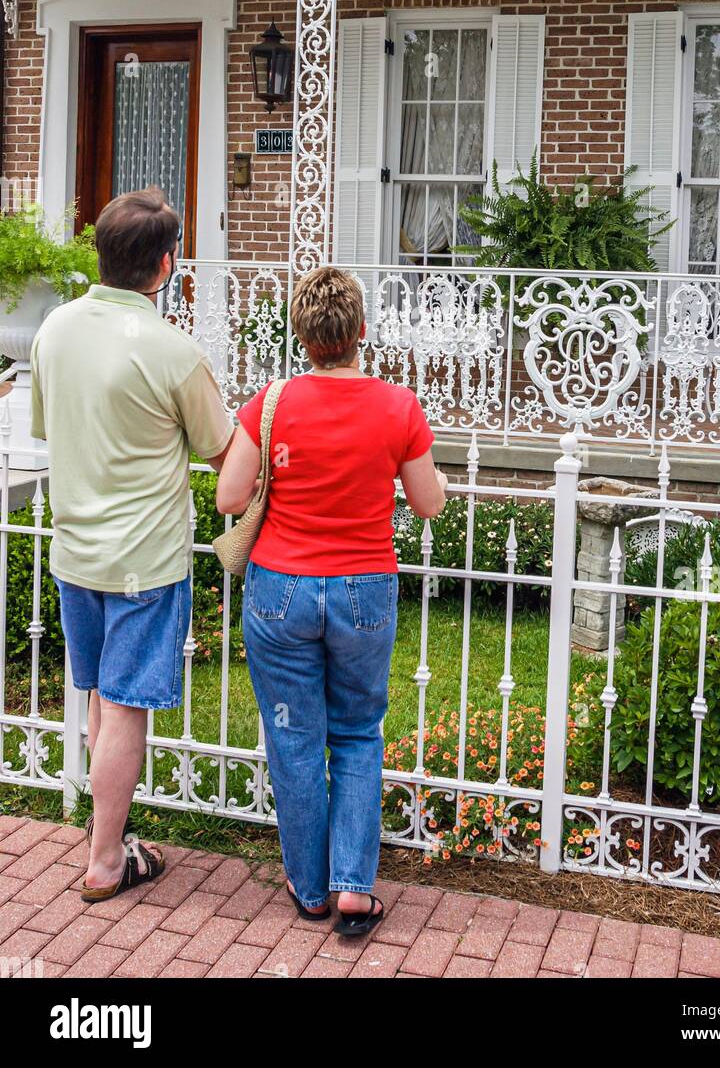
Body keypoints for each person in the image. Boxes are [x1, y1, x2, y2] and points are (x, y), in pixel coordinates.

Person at [217, 267, 447, 937]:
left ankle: (309, 886)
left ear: (303, 336)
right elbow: (429, 503)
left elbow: (231, 498)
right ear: (361, 334)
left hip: (280, 590)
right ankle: (353, 886)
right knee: (354, 734)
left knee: (294, 740)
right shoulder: (399, 407)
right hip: (363, 589)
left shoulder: (272, 401)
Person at [31, 187, 234, 903]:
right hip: (143, 561)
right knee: (122, 707)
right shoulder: (172, 350)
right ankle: (108, 857)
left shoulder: (52, 331)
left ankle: (104, 838)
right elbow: (223, 450)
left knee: (96, 700)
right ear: (165, 264)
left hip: (74, 551)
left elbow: (50, 430)